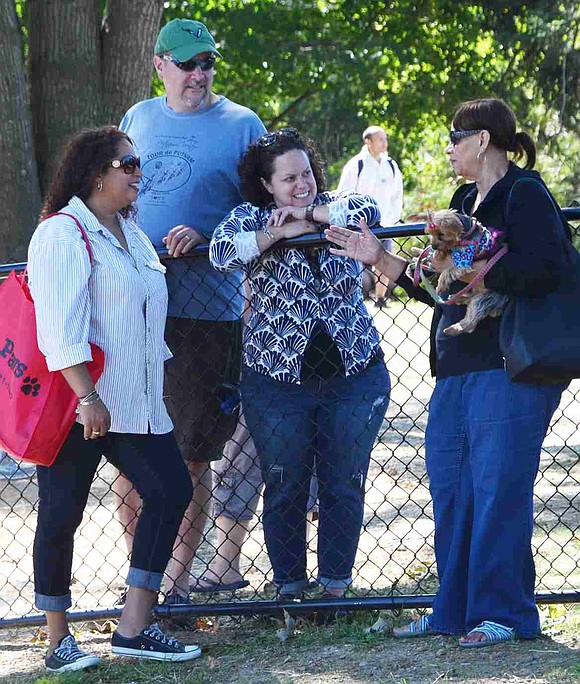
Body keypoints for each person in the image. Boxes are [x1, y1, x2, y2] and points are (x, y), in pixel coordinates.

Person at [325, 98, 568, 647]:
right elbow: (442, 290)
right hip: (456, 366)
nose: (449, 148)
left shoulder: (524, 193)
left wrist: (476, 269)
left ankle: (504, 614)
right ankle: (452, 611)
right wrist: (378, 259)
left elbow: (547, 267)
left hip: (508, 364)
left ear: (483, 140)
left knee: (498, 488)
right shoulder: (463, 200)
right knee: (453, 489)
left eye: (455, 137)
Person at [27, 127, 201, 673]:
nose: (137, 172)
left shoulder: (131, 231)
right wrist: (87, 395)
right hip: (82, 402)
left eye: (138, 163)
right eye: (127, 163)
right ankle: (57, 641)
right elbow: (58, 326)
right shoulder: (62, 233)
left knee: (172, 491)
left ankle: (133, 627)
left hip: (138, 399)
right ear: (96, 172)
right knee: (61, 514)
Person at [117, 17, 266, 605]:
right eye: (186, 63)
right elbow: (114, 195)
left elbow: (264, 212)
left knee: (193, 450)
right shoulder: (137, 119)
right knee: (129, 447)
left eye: (207, 62)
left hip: (209, 309)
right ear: (160, 65)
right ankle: (139, 580)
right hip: (136, 307)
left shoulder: (241, 124)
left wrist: (207, 234)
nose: (199, 74)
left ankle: (174, 583)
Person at [209, 128, 391, 602]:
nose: (301, 184)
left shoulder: (338, 204)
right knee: (284, 484)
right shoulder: (247, 217)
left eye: (305, 173)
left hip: (353, 372)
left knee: (343, 483)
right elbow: (222, 251)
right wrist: (280, 231)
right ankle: (289, 589)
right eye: (288, 179)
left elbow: (367, 212)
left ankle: (334, 589)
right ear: (267, 184)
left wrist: (308, 215)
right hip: (276, 382)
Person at [337, 125, 403, 307]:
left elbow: (397, 195)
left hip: (385, 224)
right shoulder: (356, 164)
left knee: (385, 260)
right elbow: (343, 193)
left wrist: (393, 218)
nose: (384, 143)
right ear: (368, 141)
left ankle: (380, 299)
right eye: (380, 139)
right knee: (355, 264)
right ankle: (355, 297)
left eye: (385, 139)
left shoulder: (390, 165)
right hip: (358, 225)